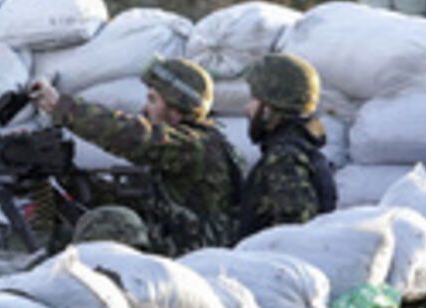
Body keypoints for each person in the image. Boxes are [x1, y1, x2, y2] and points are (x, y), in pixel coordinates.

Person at [29, 56, 242, 257]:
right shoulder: (187, 149)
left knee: (104, 231)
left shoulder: (194, 145)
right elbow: (142, 204)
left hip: (192, 256)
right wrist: (69, 178)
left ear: (176, 109)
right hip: (181, 245)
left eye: (153, 100)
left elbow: (134, 137)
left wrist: (63, 108)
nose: (144, 109)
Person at [238, 52, 338, 238]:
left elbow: (294, 234)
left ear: (270, 106)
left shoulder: (285, 157)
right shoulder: (303, 148)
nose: (247, 108)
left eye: (254, 100)